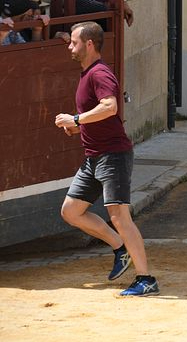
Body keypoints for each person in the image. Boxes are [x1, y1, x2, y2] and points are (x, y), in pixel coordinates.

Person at [54, 21, 158, 297]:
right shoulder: (87, 74)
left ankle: (146, 278)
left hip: (113, 155)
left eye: (74, 42)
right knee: (71, 211)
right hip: (94, 157)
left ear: (89, 44)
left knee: (120, 216)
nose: (70, 47)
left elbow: (110, 107)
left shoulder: (100, 73)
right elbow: (98, 115)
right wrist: (78, 126)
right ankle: (119, 247)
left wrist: (76, 118)